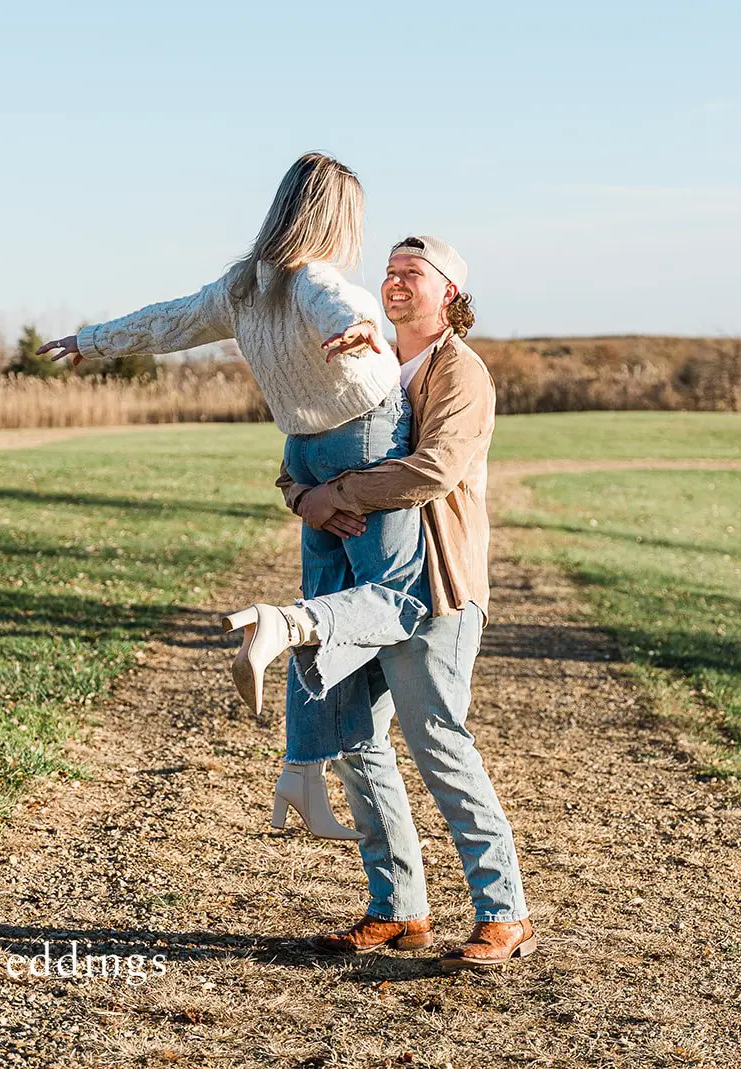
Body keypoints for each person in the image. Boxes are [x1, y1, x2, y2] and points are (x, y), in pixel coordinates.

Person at [37, 153, 429, 841]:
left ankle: (302, 769)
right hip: (364, 445)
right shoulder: (314, 281)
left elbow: (169, 321)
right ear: (336, 218)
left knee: (324, 610)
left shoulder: (242, 286)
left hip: (306, 452)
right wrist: (364, 329)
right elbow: (333, 302)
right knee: (396, 601)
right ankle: (278, 633)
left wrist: (91, 340)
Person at [281, 236, 536, 971]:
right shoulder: (367, 366)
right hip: (360, 592)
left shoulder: (462, 372)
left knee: (439, 743)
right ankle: (398, 908)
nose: (394, 283)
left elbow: (434, 469)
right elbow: (301, 464)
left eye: (412, 274)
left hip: (438, 593)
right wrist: (307, 496)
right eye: (388, 272)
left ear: (450, 293)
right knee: (357, 740)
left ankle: (504, 911)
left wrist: (340, 495)